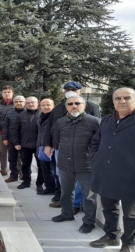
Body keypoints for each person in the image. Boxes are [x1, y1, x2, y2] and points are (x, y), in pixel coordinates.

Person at [89, 87, 135, 251]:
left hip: (130, 175)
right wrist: (94, 159)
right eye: (118, 98)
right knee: (109, 207)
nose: (122, 101)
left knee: (131, 214)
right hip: (106, 173)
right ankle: (111, 236)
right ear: (113, 101)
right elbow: (96, 141)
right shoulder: (107, 120)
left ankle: (129, 243)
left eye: (127, 98)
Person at [42, 81, 101, 207]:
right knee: (62, 175)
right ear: (64, 92)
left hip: (83, 150)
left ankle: (77, 204)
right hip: (62, 149)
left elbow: (97, 131)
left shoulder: (91, 107)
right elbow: (50, 126)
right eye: (67, 89)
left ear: (80, 92)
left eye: (74, 90)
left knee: (81, 178)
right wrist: (48, 144)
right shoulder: (59, 108)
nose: (70, 92)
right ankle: (66, 202)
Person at [51, 96, 99, 234]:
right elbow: (56, 140)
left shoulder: (94, 122)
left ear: (84, 106)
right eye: (70, 104)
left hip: (86, 165)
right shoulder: (60, 122)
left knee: (88, 196)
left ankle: (89, 222)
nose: (74, 106)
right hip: (65, 164)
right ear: (66, 107)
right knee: (66, 192)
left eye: (77, 103)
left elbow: (100, 144)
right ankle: (67, 214)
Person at [11, 96, 43, 191]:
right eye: (28, 103)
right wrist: (16, 142)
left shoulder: (42, 115)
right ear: (25, 104)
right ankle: (26, 181)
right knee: (25, 165)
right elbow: (15, 130)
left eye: (33, 102)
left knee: (40, 166)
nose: (30, 104)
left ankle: (39, 184)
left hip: (39, 145)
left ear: (37, 103)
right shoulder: (21, 115)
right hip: (24, 145)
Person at [0, 86, 14, 176]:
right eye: (5, 92)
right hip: (1, 132)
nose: (7, 94)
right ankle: (3, 169)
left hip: (14, 132)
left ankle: (19, 171)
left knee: (17, 152)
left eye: (9, 92)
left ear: (12, 93)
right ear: (2, 93)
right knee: (2, 152)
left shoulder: (17, 103)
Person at [36, 98, 57, 195]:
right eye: (43, 105)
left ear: (53, 106)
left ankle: (57, 189)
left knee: (54, 170)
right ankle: (49, 188)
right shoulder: (40, 116)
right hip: (41, 147)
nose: (45, 107)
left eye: (48, 105)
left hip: (52, 147)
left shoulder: (56, 118)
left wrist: (50, 145)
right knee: (45, 169)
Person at [3, 95, 25, 183]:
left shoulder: (28, 112)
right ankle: (13, 175)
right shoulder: (9, 113)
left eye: (20, 101)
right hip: (12, 139)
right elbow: (5, 126)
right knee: (12, 159)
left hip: (25, 140)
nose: (18, 103)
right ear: (14, 103)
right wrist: (5, 138)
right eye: (16, 102)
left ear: (24, 103)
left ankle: (25, 175)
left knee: (25, 159)